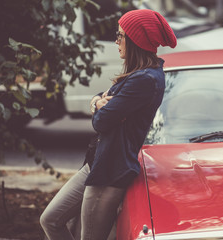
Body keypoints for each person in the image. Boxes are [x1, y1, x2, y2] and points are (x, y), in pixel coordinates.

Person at [40, 9, 177, 240]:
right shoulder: (137, 74)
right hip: (97, 163)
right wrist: (97, 102)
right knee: (50, 219)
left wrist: (100, 108)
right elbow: (102, 100)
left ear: (135, 40)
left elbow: (101, 122)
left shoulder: (145, 79)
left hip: (110, 172)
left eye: (120, 35)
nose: (116, 41)